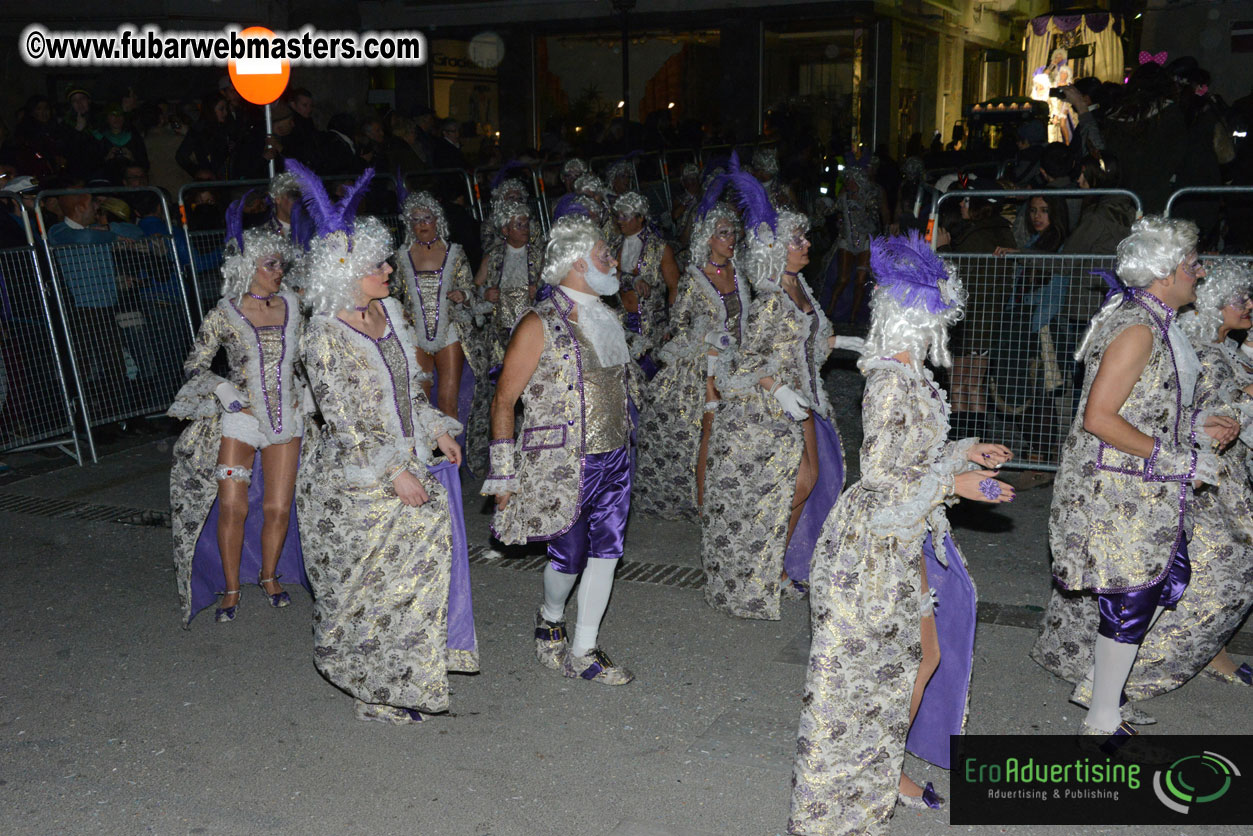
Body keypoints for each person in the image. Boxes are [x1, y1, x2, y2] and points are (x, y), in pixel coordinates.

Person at [788, 232, 1014, 835]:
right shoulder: (890, 380)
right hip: (875, 541)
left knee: (920, 655)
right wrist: (954, 483)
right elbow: (886, 478)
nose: (946, 324)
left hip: (902, 534)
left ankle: (882, 767)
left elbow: (917, 459)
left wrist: (965, 453)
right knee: (868, 671)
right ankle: (846, 788)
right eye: (939, 313)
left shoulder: (911, 374)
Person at [1034, 217, 1238, 743]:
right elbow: (1099, 418)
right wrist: (1178, 460)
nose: (1200, 272)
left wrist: (1197, 424)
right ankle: (1101, 720)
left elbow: (1149, 405)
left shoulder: (1153, 321)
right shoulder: (1139, 328)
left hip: (1137, 483)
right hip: (1118, 487)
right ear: (1166, 273)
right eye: (1192, 264)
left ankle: (1107, 699)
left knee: (1146, 589)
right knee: (1132, 598)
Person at [292, 164, 477, 724]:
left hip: (404, 458)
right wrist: (394, 471)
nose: (389, 268)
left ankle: (404, 678)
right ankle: (370, 691)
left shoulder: (388, 313)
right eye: (377, 265)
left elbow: (408, 388)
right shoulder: (324, 335)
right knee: (369, 588)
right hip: (357, 478)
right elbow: (345, 421)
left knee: (413, 581)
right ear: (344, 272)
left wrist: (435, 427)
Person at [485, 215, 638, 685]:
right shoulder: (538, 323)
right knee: (568, 557)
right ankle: (550, 617)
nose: (613, 261)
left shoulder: (607, 316)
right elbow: (504, 400)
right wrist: (503, 474)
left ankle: (584, 650)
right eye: (604, 254)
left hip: (615, 456)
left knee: (607, 552)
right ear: (577, 263)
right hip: (563, 462)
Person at [701, 164, 852, 620]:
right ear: (774, 250)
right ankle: (768, 567)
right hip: (770, 406)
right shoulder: (770, 300)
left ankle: (779, 563)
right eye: (796, 240)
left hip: (805, 399)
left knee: (811, 479)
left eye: (805, 238)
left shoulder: (799, 285)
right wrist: (779, 389)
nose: (806, 245)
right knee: (795, 483)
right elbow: (746, 360)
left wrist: (845, 343)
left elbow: (808, 342)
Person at [167, 199, 306, 624]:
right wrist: (223, 388)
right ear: (248, 267)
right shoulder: (223, 313)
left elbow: (310, 358)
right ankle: (230, 587)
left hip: (286, 419)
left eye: (281, 263)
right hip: (240, 420)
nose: (278, 271)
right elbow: (195, 364)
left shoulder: (294, 307)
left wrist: (309, 394)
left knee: (278, 508)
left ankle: (269, 576)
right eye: (270, 264)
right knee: (232, 507)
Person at [633, 201, 749, 523]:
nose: (730, 239)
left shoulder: (739, 273)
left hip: (738, 363)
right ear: (708, 239)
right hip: (705, 366)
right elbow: (678, 324)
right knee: (705, 436)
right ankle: (701, 504)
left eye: (733, 233)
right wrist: (709, 336)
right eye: (723, 233)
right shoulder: (695, 279)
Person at [395, 190, 481, 427]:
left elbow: (470, 289)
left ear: (437, 220)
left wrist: (462, 295)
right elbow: (392, 293)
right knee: (419, 401)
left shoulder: (455, 252)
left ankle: (451, 450)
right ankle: (426, 448)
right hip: (414, 333)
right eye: (416, 219)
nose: (422, 224)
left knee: (447, 401)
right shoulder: (402, 256)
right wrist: (399, 310)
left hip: (449, 330)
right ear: (409, 224)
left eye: (427, 218)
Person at [613, 190, 680, 366]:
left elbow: (675, 287)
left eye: (625, 216)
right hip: (624, 323)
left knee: (654, 371)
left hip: (652, 325)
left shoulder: (660, 248)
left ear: (640, 217)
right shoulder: (614, 247)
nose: (620, 221)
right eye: (618, 216)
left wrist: (672, 324)